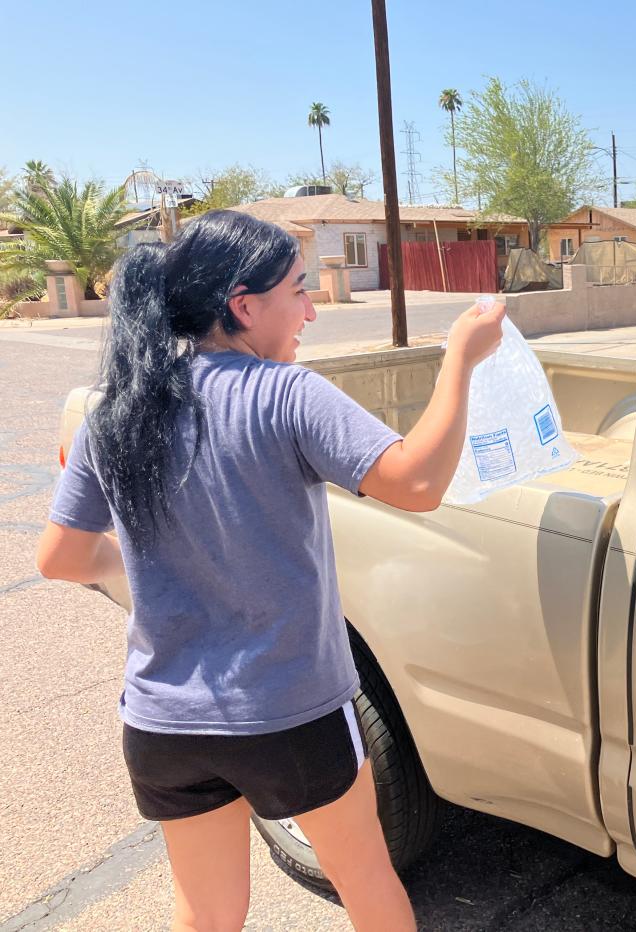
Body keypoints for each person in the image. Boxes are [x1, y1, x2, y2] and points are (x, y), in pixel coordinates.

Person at [35, 210, 505, 931]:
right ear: (243, 306)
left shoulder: (119, 412)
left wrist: (152, 557)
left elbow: (60, 558)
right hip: (290, 715)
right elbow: (416, 484)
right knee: (366, 882)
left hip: (164, 724)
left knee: (205, 914)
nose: (313, 308)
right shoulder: (287, 396)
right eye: (298, 291)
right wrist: (461, 360)